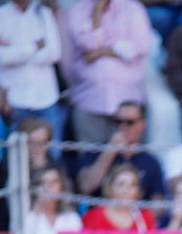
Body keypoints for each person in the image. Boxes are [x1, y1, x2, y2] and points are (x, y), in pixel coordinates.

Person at [63, 0, 154, 145]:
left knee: (127, 161)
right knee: (91, 159)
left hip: (127, 101)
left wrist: (102, 51)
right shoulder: (77, 11)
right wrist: (97, 12)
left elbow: (140, 46)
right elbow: (89, 44)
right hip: (89, 99)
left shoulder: (132, 8)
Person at [0, 0, 65, 142]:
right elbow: (2, 58)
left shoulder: (44, 14)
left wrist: (13, 47)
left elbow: (54, 53)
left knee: (53, 153)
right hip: (15, 101)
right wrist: (35, 46)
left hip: (46, 99)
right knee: (18, 156)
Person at [76, 100, 166, 199]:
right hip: (100, 212)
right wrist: (110, 151)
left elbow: (158, 202)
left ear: (142, 124)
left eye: (129, 122)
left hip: (136, 213)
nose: (122, 127)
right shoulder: (96, 150)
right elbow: (86, 187)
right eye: (118, 122)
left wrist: (141, 215)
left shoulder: (151, 161)